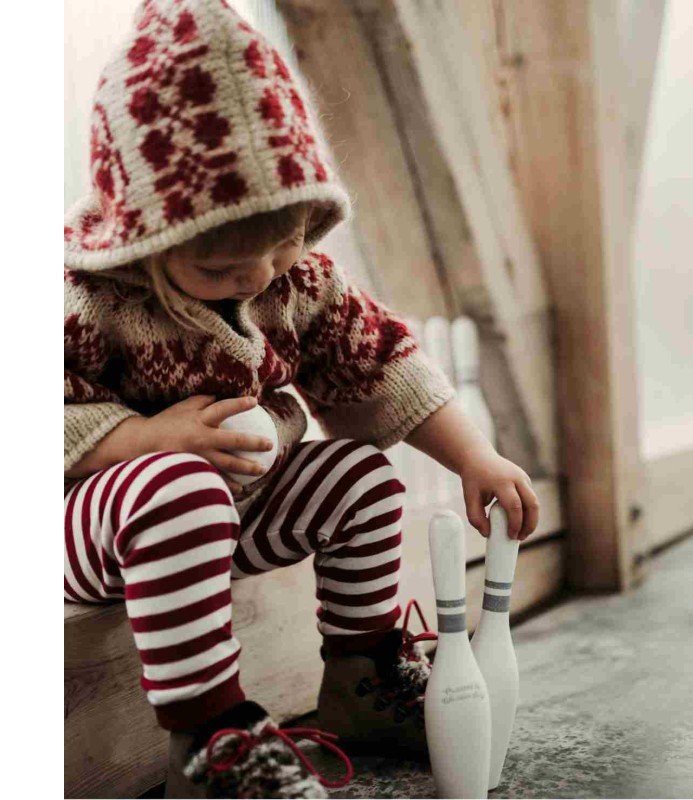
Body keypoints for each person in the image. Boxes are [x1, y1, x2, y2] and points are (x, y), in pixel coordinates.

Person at [64, 0, 540, 796]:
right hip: (101, 533)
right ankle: (214, 738)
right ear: (141, 238)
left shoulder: (298, 276)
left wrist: (474, 456)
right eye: (218, 268)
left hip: (235, 515)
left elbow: (381, 365)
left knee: (360, 475)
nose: (256, 275)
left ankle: (364, 676)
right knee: (177, 487)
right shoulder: (85, 301)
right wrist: (142, 442)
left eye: (283, 242)